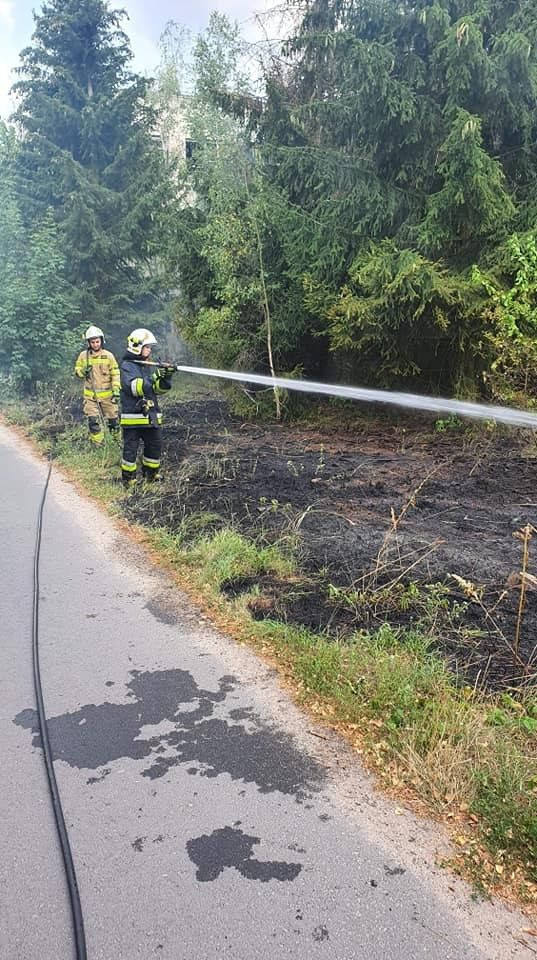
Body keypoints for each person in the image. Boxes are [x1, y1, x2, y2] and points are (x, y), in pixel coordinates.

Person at [119, 328, 174, 488]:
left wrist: (166, 376)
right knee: (131, 450)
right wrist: (155, 376)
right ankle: (129, 479)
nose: (149, 350)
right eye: (147, 347)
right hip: (133, 418)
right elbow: (134, 387)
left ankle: (151, 474)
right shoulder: (127, 366)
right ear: (137, 346)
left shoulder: (144, 365)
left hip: (150, 416)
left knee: (155, 445)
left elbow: (156, 390)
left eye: (150, 347)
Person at [74, 326, 120, 444]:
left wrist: (116, 388)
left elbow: (115, 373)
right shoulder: (83, 356)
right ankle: (98, 444)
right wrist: (83, 371)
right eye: (93, 342)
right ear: (88, 343)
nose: (95, 344)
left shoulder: (108, 356)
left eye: (97, 341)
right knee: (93, 421)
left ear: (101, 341)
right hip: (91, 397)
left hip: (108, 396)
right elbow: (77, 371)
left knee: (113, 422)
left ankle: (117, 443)